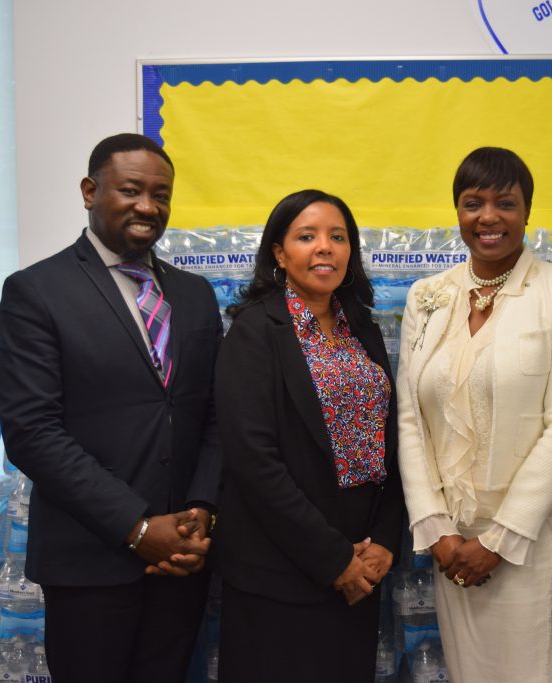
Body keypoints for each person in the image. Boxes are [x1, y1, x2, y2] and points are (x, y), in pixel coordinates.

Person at [0, 133, 221, 683]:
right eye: (131, 190)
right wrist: (139, 528)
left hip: (181, 561)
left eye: (161, 195)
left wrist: (200, 507)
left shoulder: (194, 295)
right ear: (91, 191)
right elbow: (33, 433)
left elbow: (213, 414)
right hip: (90, 561)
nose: (148, 207)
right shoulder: (36, 291)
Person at [396, 147, 552, 681]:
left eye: (504, 203)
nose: (488, 217)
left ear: (527, 211)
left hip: (526, 535)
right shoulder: (429, 296)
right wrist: (437, 529)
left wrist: (498, 539)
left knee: (532, 669)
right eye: (473, 203)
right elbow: (411, 417)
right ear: (457, 211)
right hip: (451, 539)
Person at [211, 189, 404, 682]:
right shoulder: (255, 331)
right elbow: (254, 462)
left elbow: (391, 440)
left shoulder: (362, 327)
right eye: (307, 236)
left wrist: (383, 540)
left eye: (337, 237)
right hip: (282, 571)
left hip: (362, 567)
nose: (325, 248)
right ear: (279, 253)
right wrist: (334, 558)